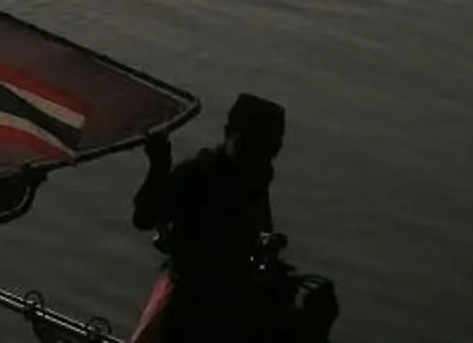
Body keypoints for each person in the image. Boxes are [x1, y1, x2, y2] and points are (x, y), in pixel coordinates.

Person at [130, 94, 335, 340]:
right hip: (198, 305)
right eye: (249, 147)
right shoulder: (197, 177)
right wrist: (159, 166)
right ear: (230, 135)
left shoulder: (255, 179)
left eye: (267, 151)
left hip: (238, 298)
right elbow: (144, 218)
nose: (257, 159)